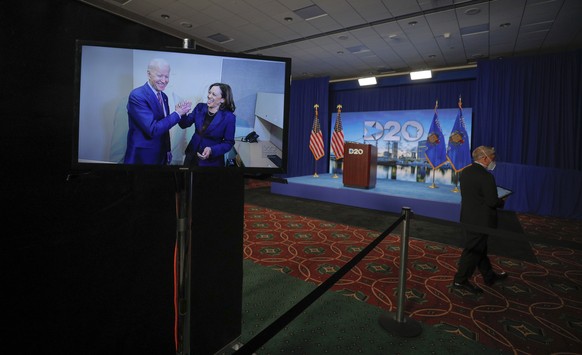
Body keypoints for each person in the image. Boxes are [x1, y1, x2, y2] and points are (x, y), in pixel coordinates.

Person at [452, 146, 508, 294]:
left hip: (468, 217)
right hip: (481, 220)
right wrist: (502, 201)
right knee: (472, 251)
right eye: (492, 157)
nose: (493, 160)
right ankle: (460, 280)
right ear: (484, 158)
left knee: (480, 249)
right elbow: (492, 201)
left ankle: (489, 276)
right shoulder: (486, 176)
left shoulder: (466, 171)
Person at [124, 58, 192, 165]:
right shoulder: (137, 95)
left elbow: (164, 128)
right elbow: (153, 129)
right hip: (142, 159)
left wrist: (167, 150)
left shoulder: (163, 96)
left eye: (167, 76)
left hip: (161, 156)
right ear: (149, 74)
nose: (164, 80)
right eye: (160, 76)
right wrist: (177, 113)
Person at [178, 83, 236, 167]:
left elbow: (229, 142)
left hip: (211, 162)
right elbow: (184, 124)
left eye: (214, 94)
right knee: (186, 179)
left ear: (222, 99)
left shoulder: (229, 117)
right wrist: (182, 113)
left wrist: (212, 150)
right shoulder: (200, 107)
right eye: (209, 93)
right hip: (191, 155)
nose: (209, 96)